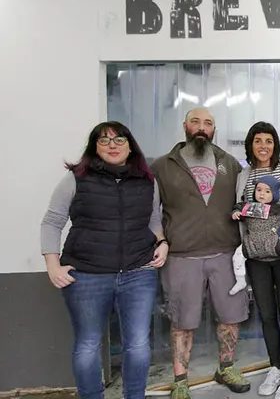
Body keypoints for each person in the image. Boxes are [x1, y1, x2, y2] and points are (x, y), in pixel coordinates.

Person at [41, 121, 167, 399]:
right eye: (104, 140)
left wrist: (163, 242)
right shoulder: (76, 178)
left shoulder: (147, 180)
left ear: (130, 145)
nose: (112, 145)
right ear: (94, 146)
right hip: (87, 274)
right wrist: (52, 264)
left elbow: (154, 219)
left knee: (138, 345)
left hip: (138, 271)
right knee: (87, 345)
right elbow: (52, 222)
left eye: (119, 139)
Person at [151, 107, 250, 399]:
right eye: (196, 121)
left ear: (214, 130)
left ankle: (226, 367)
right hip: (181, 255)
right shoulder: (162, 167)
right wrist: (160, 240)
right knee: (182, 320)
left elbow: (244, 204)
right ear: (185, 127)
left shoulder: (230, 163)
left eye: (208, 123)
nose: (202, 127)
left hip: (226, 252)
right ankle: (180, 381)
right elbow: (152, 213)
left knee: (230, 316)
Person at [231, 121, 280, 399]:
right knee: (267, 314)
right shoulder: (243, 175)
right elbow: (239, 209)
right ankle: (275, 367)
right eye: (258, 140)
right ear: (250, 145)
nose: (264, 146)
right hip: (256, 256)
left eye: (269, 140)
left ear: (276, 144)